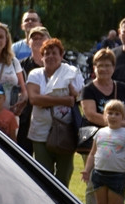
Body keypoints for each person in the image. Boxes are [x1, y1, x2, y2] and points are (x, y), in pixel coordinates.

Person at [80, 48, 125, 204]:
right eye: (100, 65)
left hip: (120, 141)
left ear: (113, 67)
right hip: (95, 141)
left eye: (107, 65)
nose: (103, 69)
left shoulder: (122, 87)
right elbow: (90, 114)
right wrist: (120, 124)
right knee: (93, 183)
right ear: (94, 67)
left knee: (118, 180)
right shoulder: (88, 89)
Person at [27, 38, 85, 184]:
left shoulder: (71, 72)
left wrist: (47, 99)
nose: (50, 56)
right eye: (46, 54)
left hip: (66, 132)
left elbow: (78, 96)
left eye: (54, 53)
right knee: (43, 175)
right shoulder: (35, 74)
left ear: (61, 55)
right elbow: (34, 99)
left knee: (64, 175)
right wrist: (63, 100)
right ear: (42, 56)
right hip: (40, 132)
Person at [17, 25, 50, 152]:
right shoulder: (20, 65)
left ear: (49, 40)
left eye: (40, 37)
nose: (37, 40)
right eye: (33, 38)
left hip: (51, 122)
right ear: (28, 43)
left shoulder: (60, 64)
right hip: (25, 119)